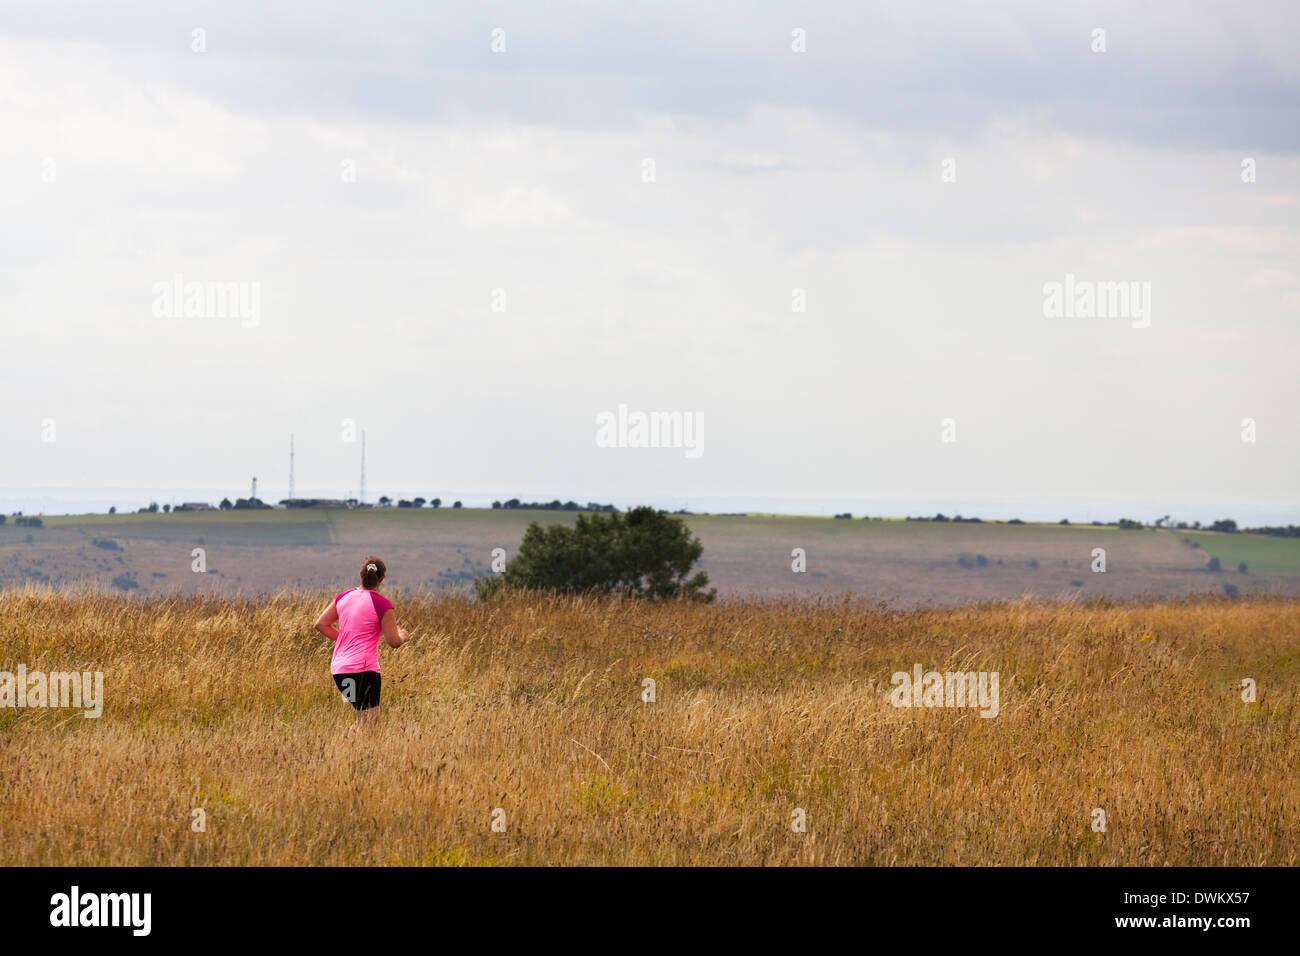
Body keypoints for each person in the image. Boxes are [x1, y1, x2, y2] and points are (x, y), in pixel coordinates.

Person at [314, 555, 409, 725]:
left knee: (361, 717)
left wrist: (345, 639)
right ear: (381, 579)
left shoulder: (343, 597)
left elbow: (321, 624)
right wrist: (403, 636)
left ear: (361, 574)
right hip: (364, 670)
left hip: (340, 671)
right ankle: (355, 751)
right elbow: (393, 642)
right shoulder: (382, 604)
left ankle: (347, 750)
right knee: (370, 719)